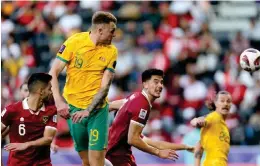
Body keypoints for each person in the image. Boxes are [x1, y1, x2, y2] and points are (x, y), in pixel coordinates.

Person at [49, 11, 118, 166]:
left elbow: (105, 86)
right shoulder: (74, 42)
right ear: (100, 30)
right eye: (112, 31)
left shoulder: (111, 51)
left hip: (97, 110)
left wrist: (88, 110)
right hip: (73, 110)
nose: (114, 35)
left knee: (96, 162)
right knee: (86, 161)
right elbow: (52, 72)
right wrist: (59, 102)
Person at [105, 69, 194, 166]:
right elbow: (133, 139)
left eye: (161, 82)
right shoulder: (142, 105)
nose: (160, 86)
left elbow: (157, 144)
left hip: (114, 154)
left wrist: (186, 147)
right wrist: (158, 153)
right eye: (156, 82)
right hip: (116, 158)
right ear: (145, 84)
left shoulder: (135, 97)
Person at [1, 73, 57, 166]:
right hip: (17, 163)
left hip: (42, 163)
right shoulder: (12, 110)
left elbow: (48, 138)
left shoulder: (50, 110)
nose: (51, 92)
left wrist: (26, 144)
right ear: (41, 91)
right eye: (49, 89)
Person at [191, 91, 232, 166]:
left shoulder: (224, 126)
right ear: (216, 103)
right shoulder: (214, 117)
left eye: (228, 101)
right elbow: (197, 120)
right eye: (222, 101)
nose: (226, 104)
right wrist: (197, 121)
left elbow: (199, 145)